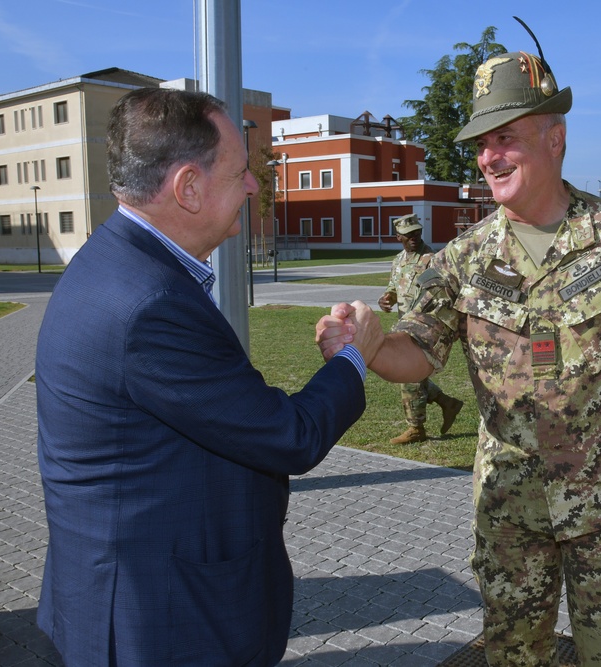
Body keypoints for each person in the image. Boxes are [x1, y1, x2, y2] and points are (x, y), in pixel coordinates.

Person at [318, 27, 601, 666]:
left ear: (555, 137)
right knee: (512, 659)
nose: (489, 157)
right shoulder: (463, 258)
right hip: (509, 511)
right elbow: (416, 352)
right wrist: (365, 343)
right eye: (482, 143)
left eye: (506, 137)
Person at [35, 87, 382, 666]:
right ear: (189, 188)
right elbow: (287, 436)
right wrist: (355, 356)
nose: (252, 187)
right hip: (163, 619)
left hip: (129, 593)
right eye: (242, 172)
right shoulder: (147, 303)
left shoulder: (116, 262)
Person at [377, 213, 464, 444]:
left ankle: (416, 428)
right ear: (398, 237)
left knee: (407, 373)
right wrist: (387, 298)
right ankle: (447, 402)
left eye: (416, 233)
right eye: (408, 235)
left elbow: (444, 296)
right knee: (412, 373)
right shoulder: (398, 261)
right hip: (404, 325)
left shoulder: (432, 259)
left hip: (426, 326)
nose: (413, 238)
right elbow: (393, 288)